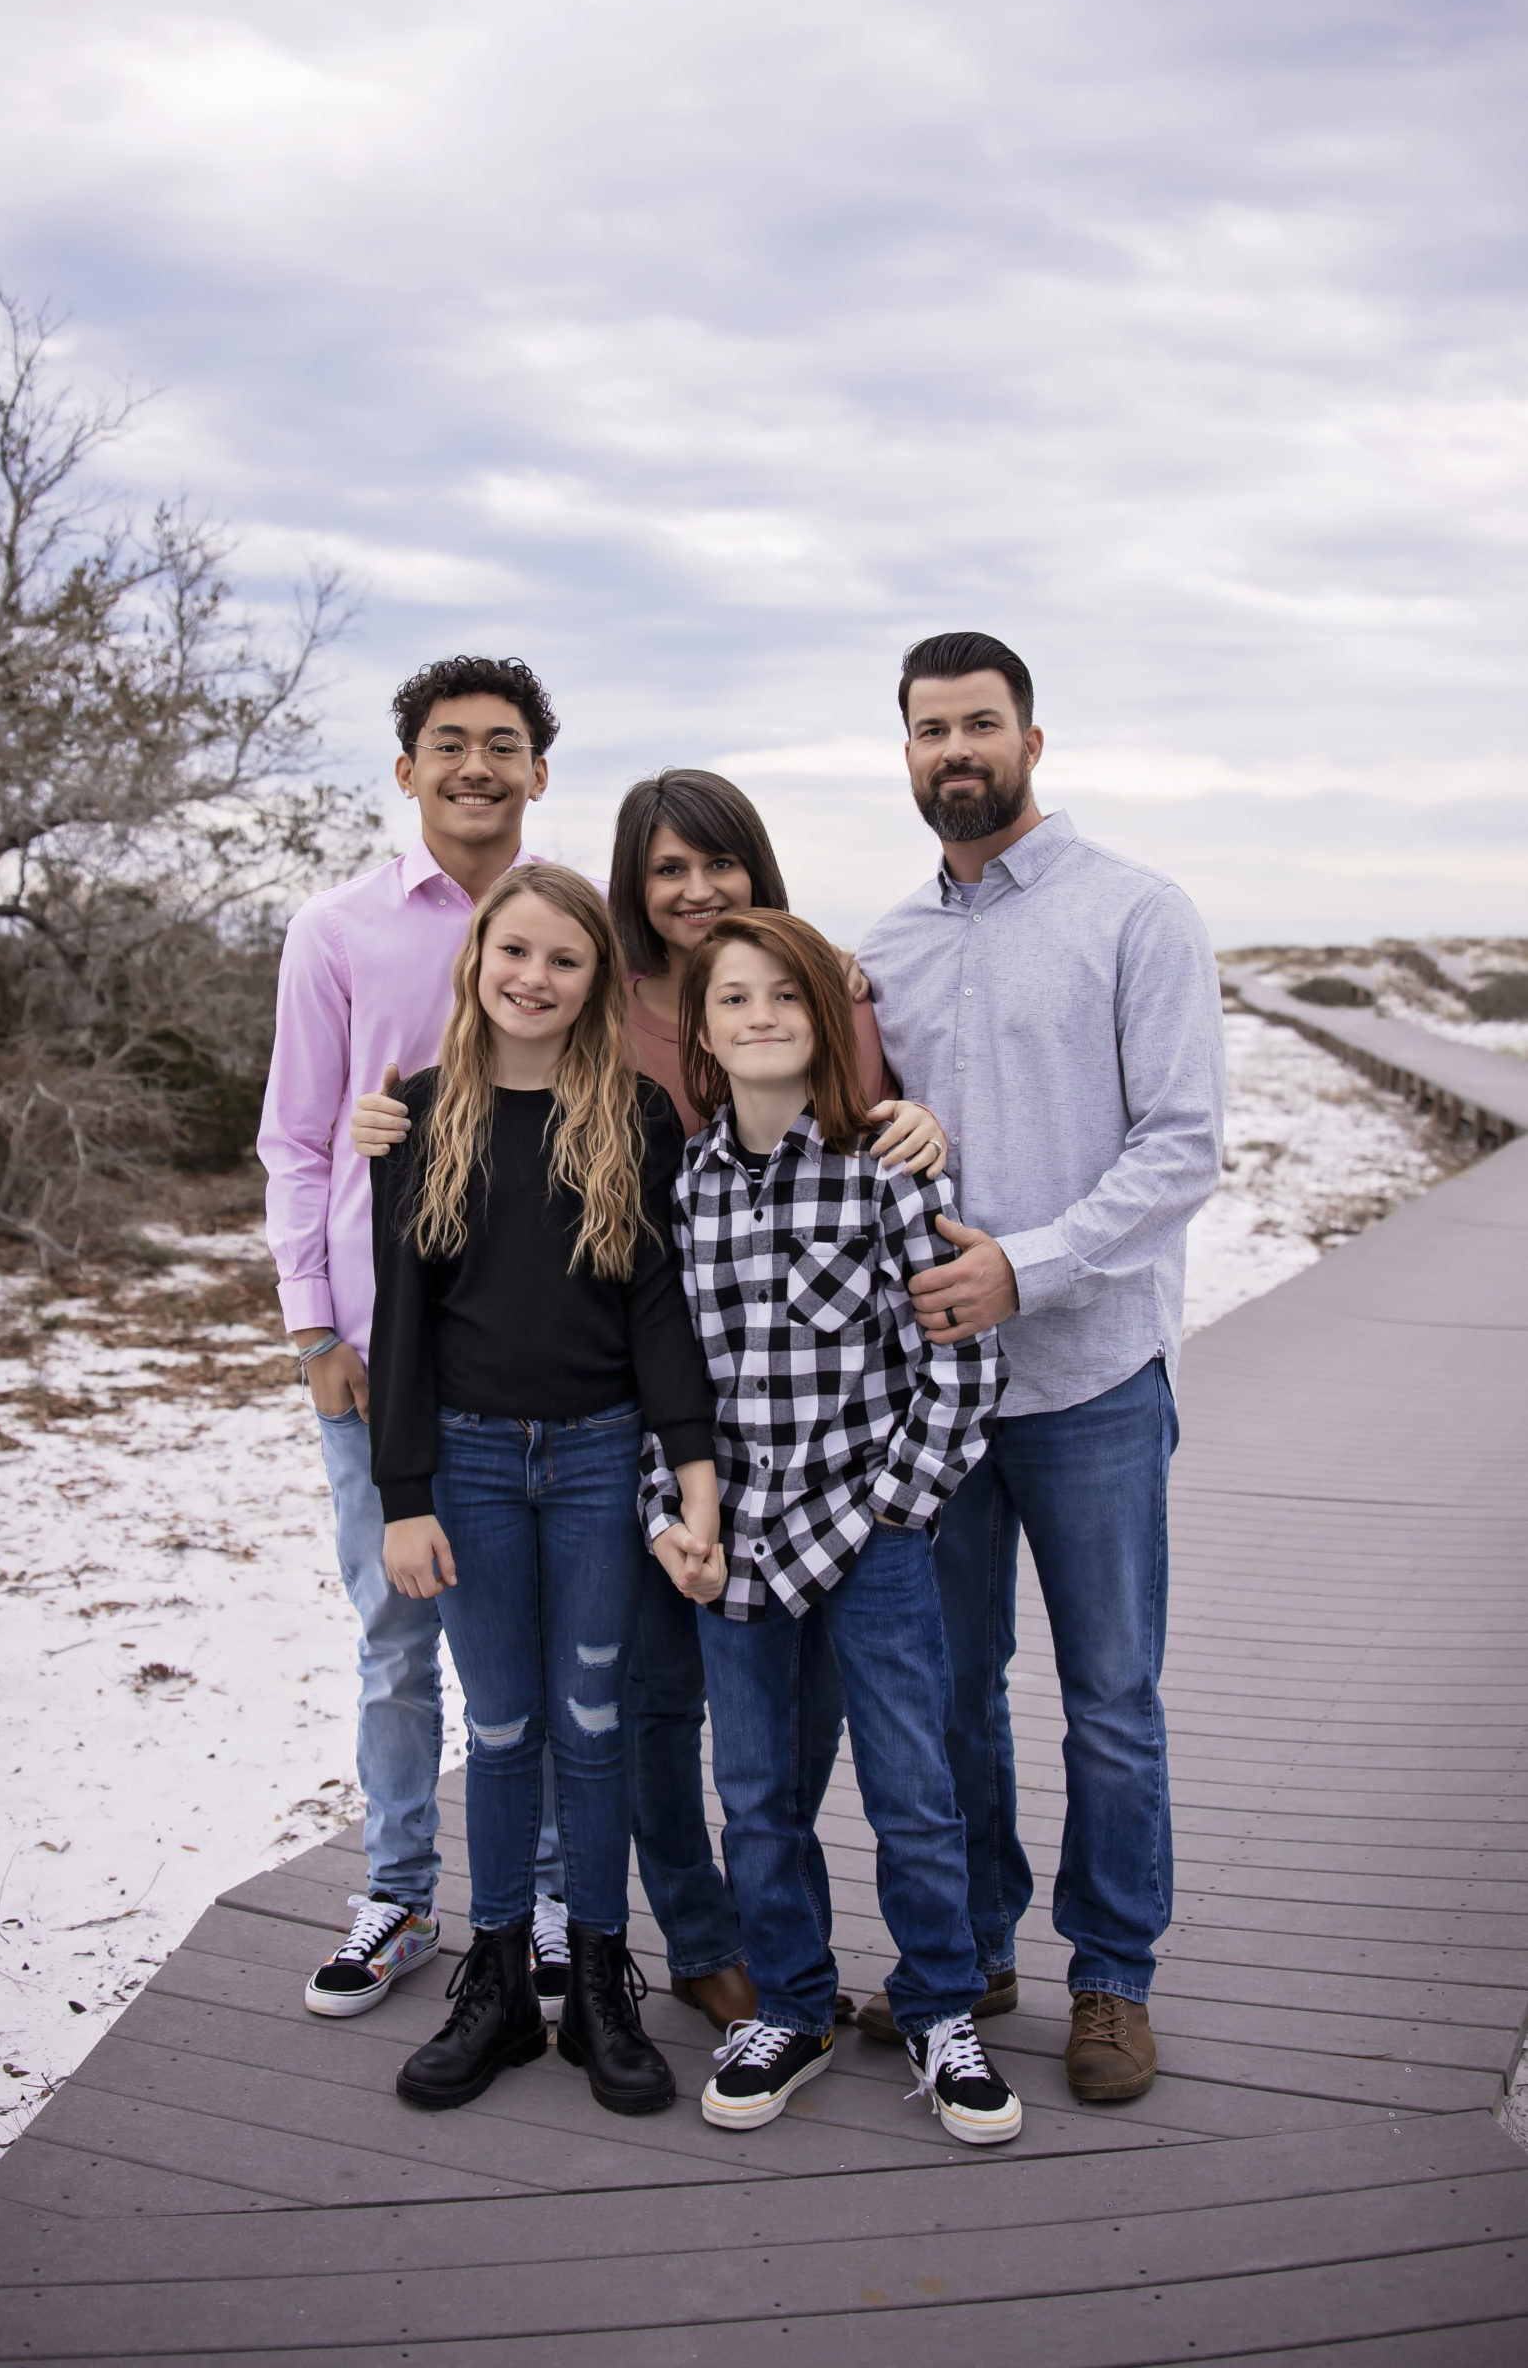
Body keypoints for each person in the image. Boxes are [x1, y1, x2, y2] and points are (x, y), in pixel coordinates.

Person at [351, 764, 951, 2031]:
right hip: (629, 1434)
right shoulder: (596, 1004)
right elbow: (488, 1120)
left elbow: (867, 1125)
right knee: (649, 1701)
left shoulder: (811, 981)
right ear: (633, 884)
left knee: (794, 1724)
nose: (694, 888)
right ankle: (695, 1933)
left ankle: (800, 1944)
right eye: (667, 867)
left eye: (717, 863)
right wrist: (382, 1121)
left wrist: (922, 1125)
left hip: (804, 1445)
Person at [852, 630, 1225, 2102]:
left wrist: (1030, 1264)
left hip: (1088, 1379)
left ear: (1030, 740)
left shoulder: (1133, 914)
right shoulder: (878, 950)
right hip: (932, 1397)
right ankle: (976, 1945)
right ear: (903, 753)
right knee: (951, 1694)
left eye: (979, 725)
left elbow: (1181, 1149)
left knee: (1110, 1697)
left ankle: (1112, 1977)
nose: (955, 750)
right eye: (929, 729)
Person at [643, 907, 1022, 2146]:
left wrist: (898, 1514)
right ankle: (795, 2004)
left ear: (824, 1018)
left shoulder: (884, 1168)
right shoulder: (687, 1190)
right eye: (733, 999)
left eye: (785, 997)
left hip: (872, 1534)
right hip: (738, 1544)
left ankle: (938, 2005)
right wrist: (671, 1515)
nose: (760, 1017)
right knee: (755, 1794)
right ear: (701, 1031)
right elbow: (668, 1384)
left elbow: (961, 1363)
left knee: (913, 1786)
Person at [370, 864, 722, 2115]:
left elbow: (661, 1312)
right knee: (504, 1723)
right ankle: (504, 1975)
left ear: (594, 986)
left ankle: (602, 1983)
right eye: (513, 951)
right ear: (476, 960)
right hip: (464, 1463)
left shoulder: (633, 1113)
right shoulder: (418, 1117)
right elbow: (401, 1325)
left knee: (595, 1719)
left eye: (564, 960)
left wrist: (692, 1478)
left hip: (595, 1457)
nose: (534, 977)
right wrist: (402, 1492)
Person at [257, 653, 571, 2021]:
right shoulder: (336, 928)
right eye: (448, 745)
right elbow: (294, 1134)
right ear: (406, 771)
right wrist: (309, 1319)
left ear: (536, 774)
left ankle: (557, 1902)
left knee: (544, 1641)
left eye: (502, 746)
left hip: (539, 1357)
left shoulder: (576, 921)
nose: (475, 769)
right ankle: (394, 1895)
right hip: (375, 1351)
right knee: (393, 1637)